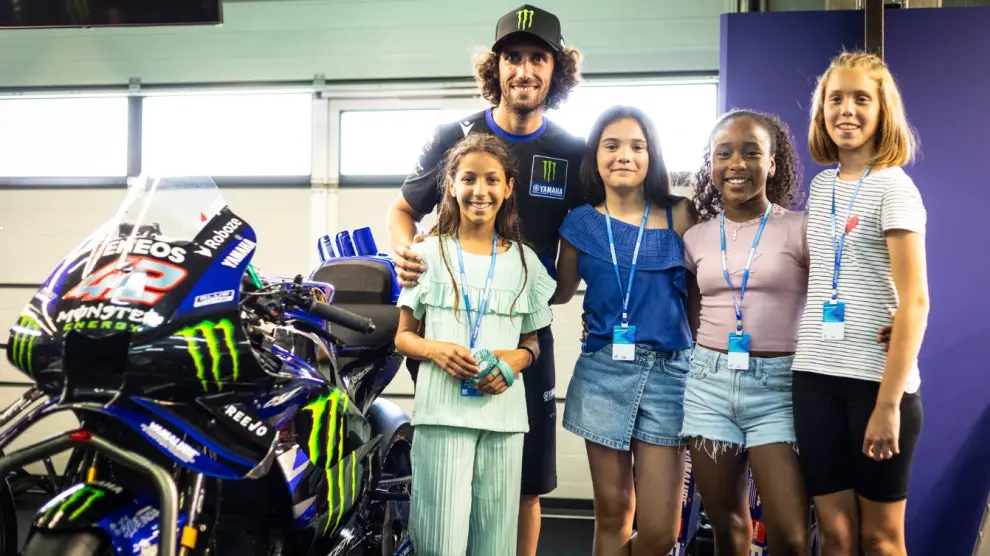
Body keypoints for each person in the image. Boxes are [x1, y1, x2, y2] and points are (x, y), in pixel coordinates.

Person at [386, 5, 584, 552]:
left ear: (557, 69)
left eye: (538, 58)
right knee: (445, 483)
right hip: (448, 323)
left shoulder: (573, 151)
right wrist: (407, 255)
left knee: (524, 486)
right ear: (494, 67)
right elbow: (402, 210)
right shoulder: (454, 136)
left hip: (521, 331)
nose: (524, 70)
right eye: (512, 58)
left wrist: (562, 289)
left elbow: (584, 235)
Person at [792, 51, 928, 556]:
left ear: (882, 111)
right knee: (836, 535)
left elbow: (916, 301)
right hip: (814, 378)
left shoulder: (894, 186)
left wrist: (888, 406)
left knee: (881, 538)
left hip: (876, 385)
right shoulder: (822, 185)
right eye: (835, 99)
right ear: (822, 110)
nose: (846, 110)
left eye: (861, 99)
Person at [393, 133, 556, 556]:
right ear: (451, 185)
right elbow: (403, 337)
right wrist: (436, 350)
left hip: (504, 419)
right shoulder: (427, 254)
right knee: (440, 541)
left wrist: (516, 360)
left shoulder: (525, 262)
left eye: (491, 180)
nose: (479, 191)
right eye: (468, 179)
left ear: (508, 188)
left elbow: (532, 342)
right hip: (441, 415)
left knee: (495, 544)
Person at [553, 105, 695, 556]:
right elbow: (556, 292)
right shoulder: (579, 223)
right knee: (613, 514)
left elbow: (703, 294)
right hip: (603, 373)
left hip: (670, 376)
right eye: (611, 146)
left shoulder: (681, 215)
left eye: (637, 146)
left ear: (652, 155)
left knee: (660, 533)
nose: (624, 156)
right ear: (595, 157)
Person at [681, 109, 809, 556]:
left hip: (778, 390)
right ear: (712, 165)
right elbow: (693, 311)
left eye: (751, 153)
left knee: (791, 535)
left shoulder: (799, 228)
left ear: (772, 164)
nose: (736, 163)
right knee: (727, 526)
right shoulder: (696, 237)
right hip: (709, 387)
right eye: (724, 153)